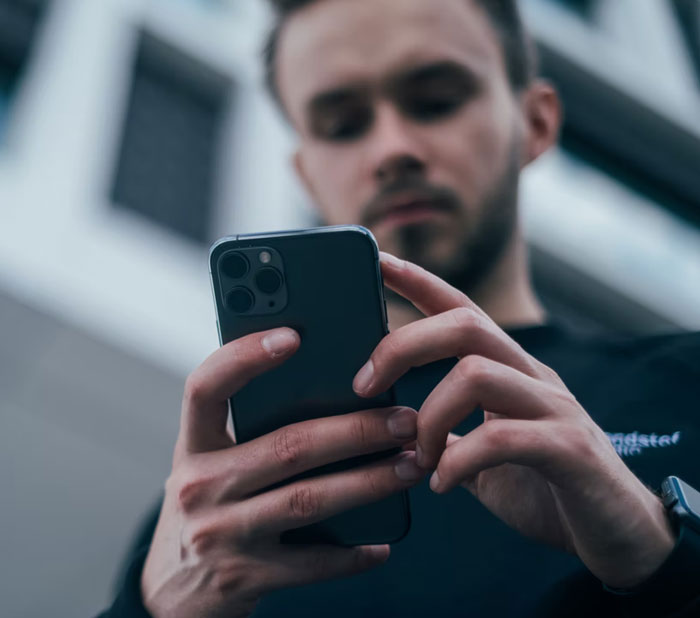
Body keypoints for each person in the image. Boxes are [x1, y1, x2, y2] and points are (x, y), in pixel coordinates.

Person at [97, 0, 700, 616]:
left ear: (535, 123)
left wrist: (659, 552)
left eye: (436, 100)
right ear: (308, 177)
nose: (391, 148)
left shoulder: (689, 383)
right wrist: (154, 606)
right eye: (342, 124)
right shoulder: (216, 507)